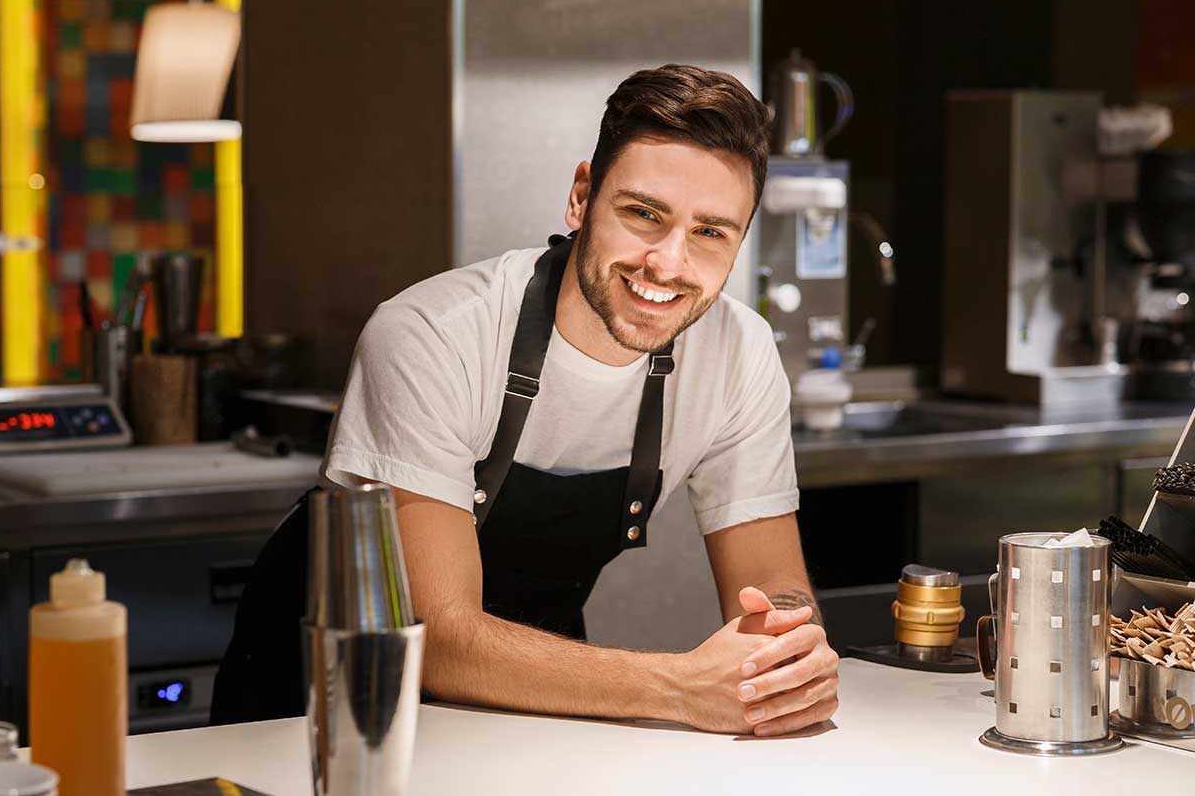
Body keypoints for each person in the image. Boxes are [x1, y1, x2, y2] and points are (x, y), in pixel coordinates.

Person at [213, 64, 838, 737]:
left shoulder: (739, 354)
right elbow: (444, 640)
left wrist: (787, 655)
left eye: (711, 232)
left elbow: (776, 592)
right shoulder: (432, 335)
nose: (667, 263)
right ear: (581, 197)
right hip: (313, 715)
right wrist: (680, 686)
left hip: (529, 717)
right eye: (643, 214)